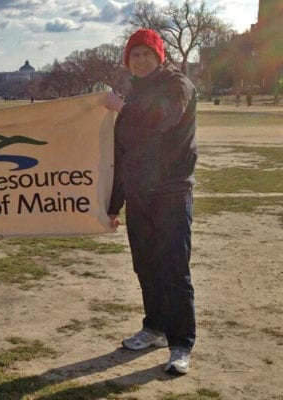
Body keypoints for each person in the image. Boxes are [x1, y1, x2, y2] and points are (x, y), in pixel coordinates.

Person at [104, 29, 198, 375]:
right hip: (139, 194)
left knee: (174, 269)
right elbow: (121, 154)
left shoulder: (178, 85)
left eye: (146, 53)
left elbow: (162, 119)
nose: (140, 60)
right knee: (145, 266)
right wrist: (113, 205)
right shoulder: (134, 93)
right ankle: (155, 327)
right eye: (135, 55)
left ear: (160, 56)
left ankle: (181, 343)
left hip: (171, 193)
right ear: (128, 61)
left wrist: (123, 108)